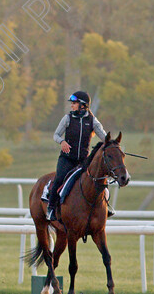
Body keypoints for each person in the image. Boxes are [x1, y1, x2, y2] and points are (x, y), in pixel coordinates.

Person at [46, 91, 110, 221]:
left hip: (83, 161)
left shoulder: (92, 121)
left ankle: (106, 205)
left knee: (101, 180)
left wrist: (112, 145)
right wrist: (62, 142)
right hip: (67, 159)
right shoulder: (67, 118)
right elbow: (56, 135)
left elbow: (104, 137)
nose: (72, 106)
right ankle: (51, 208)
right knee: (59, 179)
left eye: (74, 103)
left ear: (82, 105)